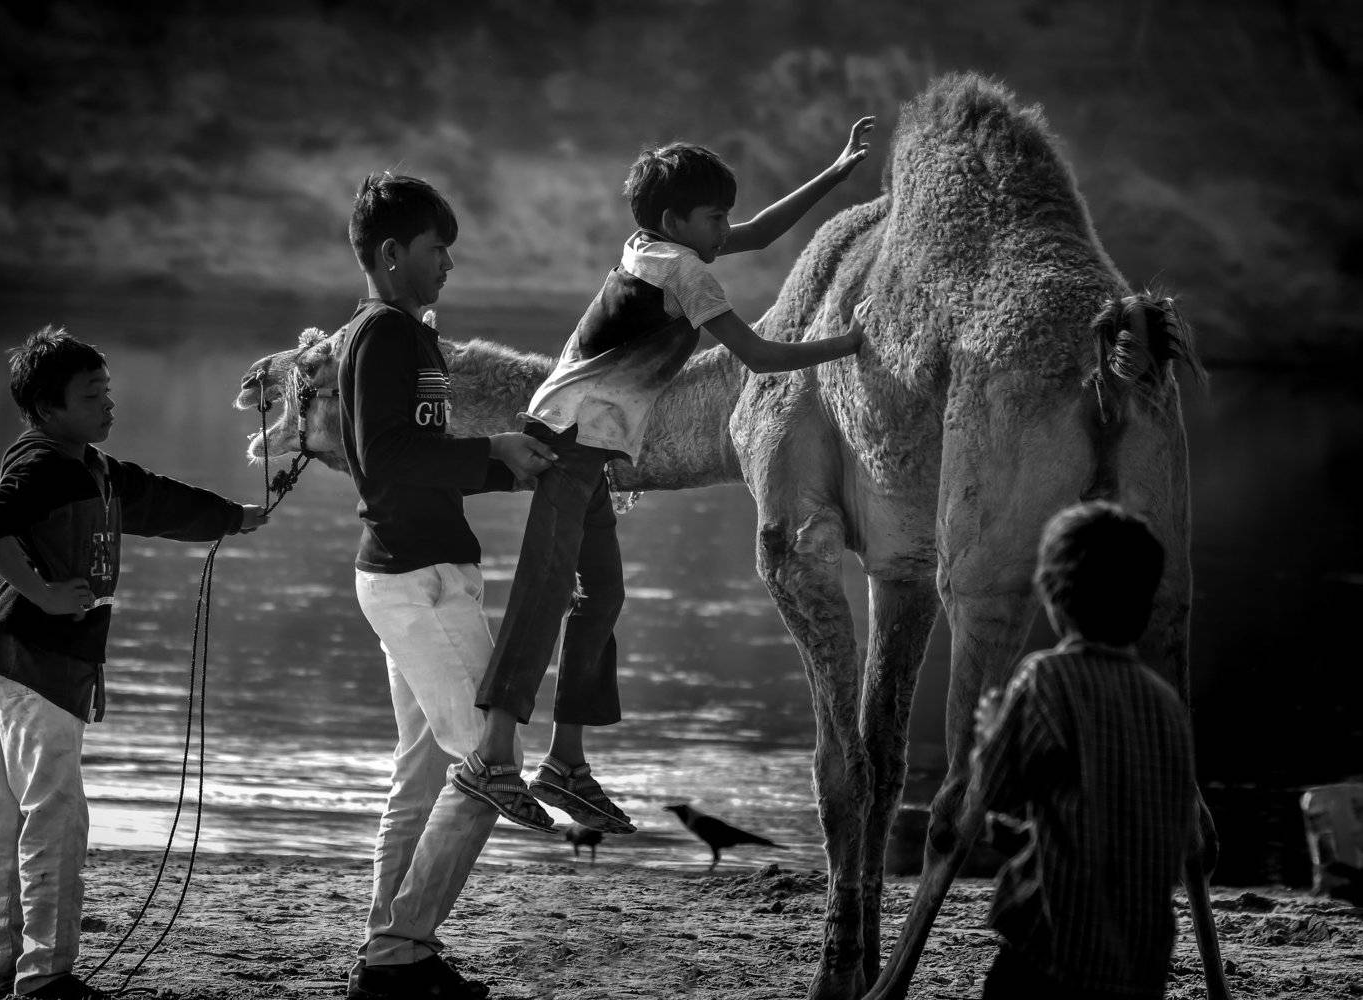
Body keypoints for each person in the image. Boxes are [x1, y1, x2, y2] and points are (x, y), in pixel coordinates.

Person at [452, 120, 879, 835]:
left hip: (589, 446)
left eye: (724, 216)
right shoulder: (682, 272)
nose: (725, 229)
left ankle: (565, 764)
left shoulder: (650, 246)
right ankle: (492, 759)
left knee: (601, 594)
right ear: (677, 221)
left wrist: (836, 171)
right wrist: (851, 343)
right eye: (714, 218)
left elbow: (760, 232)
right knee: (545, 591)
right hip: (568, 440)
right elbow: (760, 357)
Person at [0, 328, 267, 1000]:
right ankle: (43, 978)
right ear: (48, 409)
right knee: (54, 815)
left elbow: (159, 501)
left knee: (14, 818)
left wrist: (232, 517)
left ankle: (7, 974)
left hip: (29, 661)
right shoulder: (43, 467)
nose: (108, 405)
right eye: (91, 396)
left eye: (107, 392)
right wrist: (44, 591)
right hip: (33, 659)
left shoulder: (93, 468)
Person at [337, 172, 556, 1000]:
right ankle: (397, 953)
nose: (449, 265)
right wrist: (492, 451)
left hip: (422, 568)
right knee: (492, 761)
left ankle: (391, 948)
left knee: (423, 774)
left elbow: (424, 462)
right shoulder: (383, 337)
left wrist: (510, 470)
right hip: (414, 577)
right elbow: (387, 460)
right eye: (437, 250)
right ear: (392, 254)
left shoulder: (409, 337)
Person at [969, 501, 1200, 1000]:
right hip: (1142, 966)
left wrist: (990, 734)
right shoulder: (1165, 703)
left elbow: (998, 792)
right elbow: (1154, 830)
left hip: (1055, 951)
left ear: (1053, 595)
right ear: (1145, 603)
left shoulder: (1046, 677)